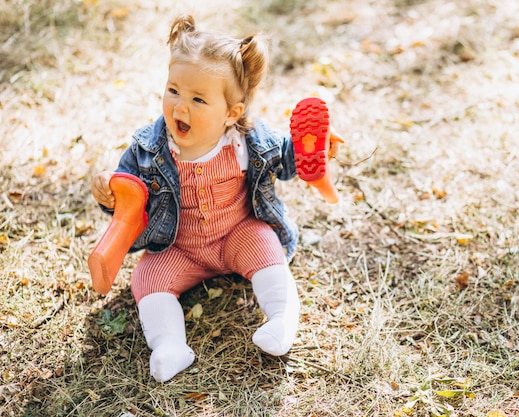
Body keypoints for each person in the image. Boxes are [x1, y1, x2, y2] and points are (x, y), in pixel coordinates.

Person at [90, 15, 343, 383]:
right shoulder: (149, 147)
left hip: (237, 232)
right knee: (146, 278)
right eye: (173, 90)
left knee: (266, 248)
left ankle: (281, 319)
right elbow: (128, 197)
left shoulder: (246, 140)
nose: (181, 107)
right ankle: (170, 345)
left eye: (198, 99)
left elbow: (288, 161)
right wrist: (109, 192)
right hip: (179, 246)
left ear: (231, 113)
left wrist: (315, 150)